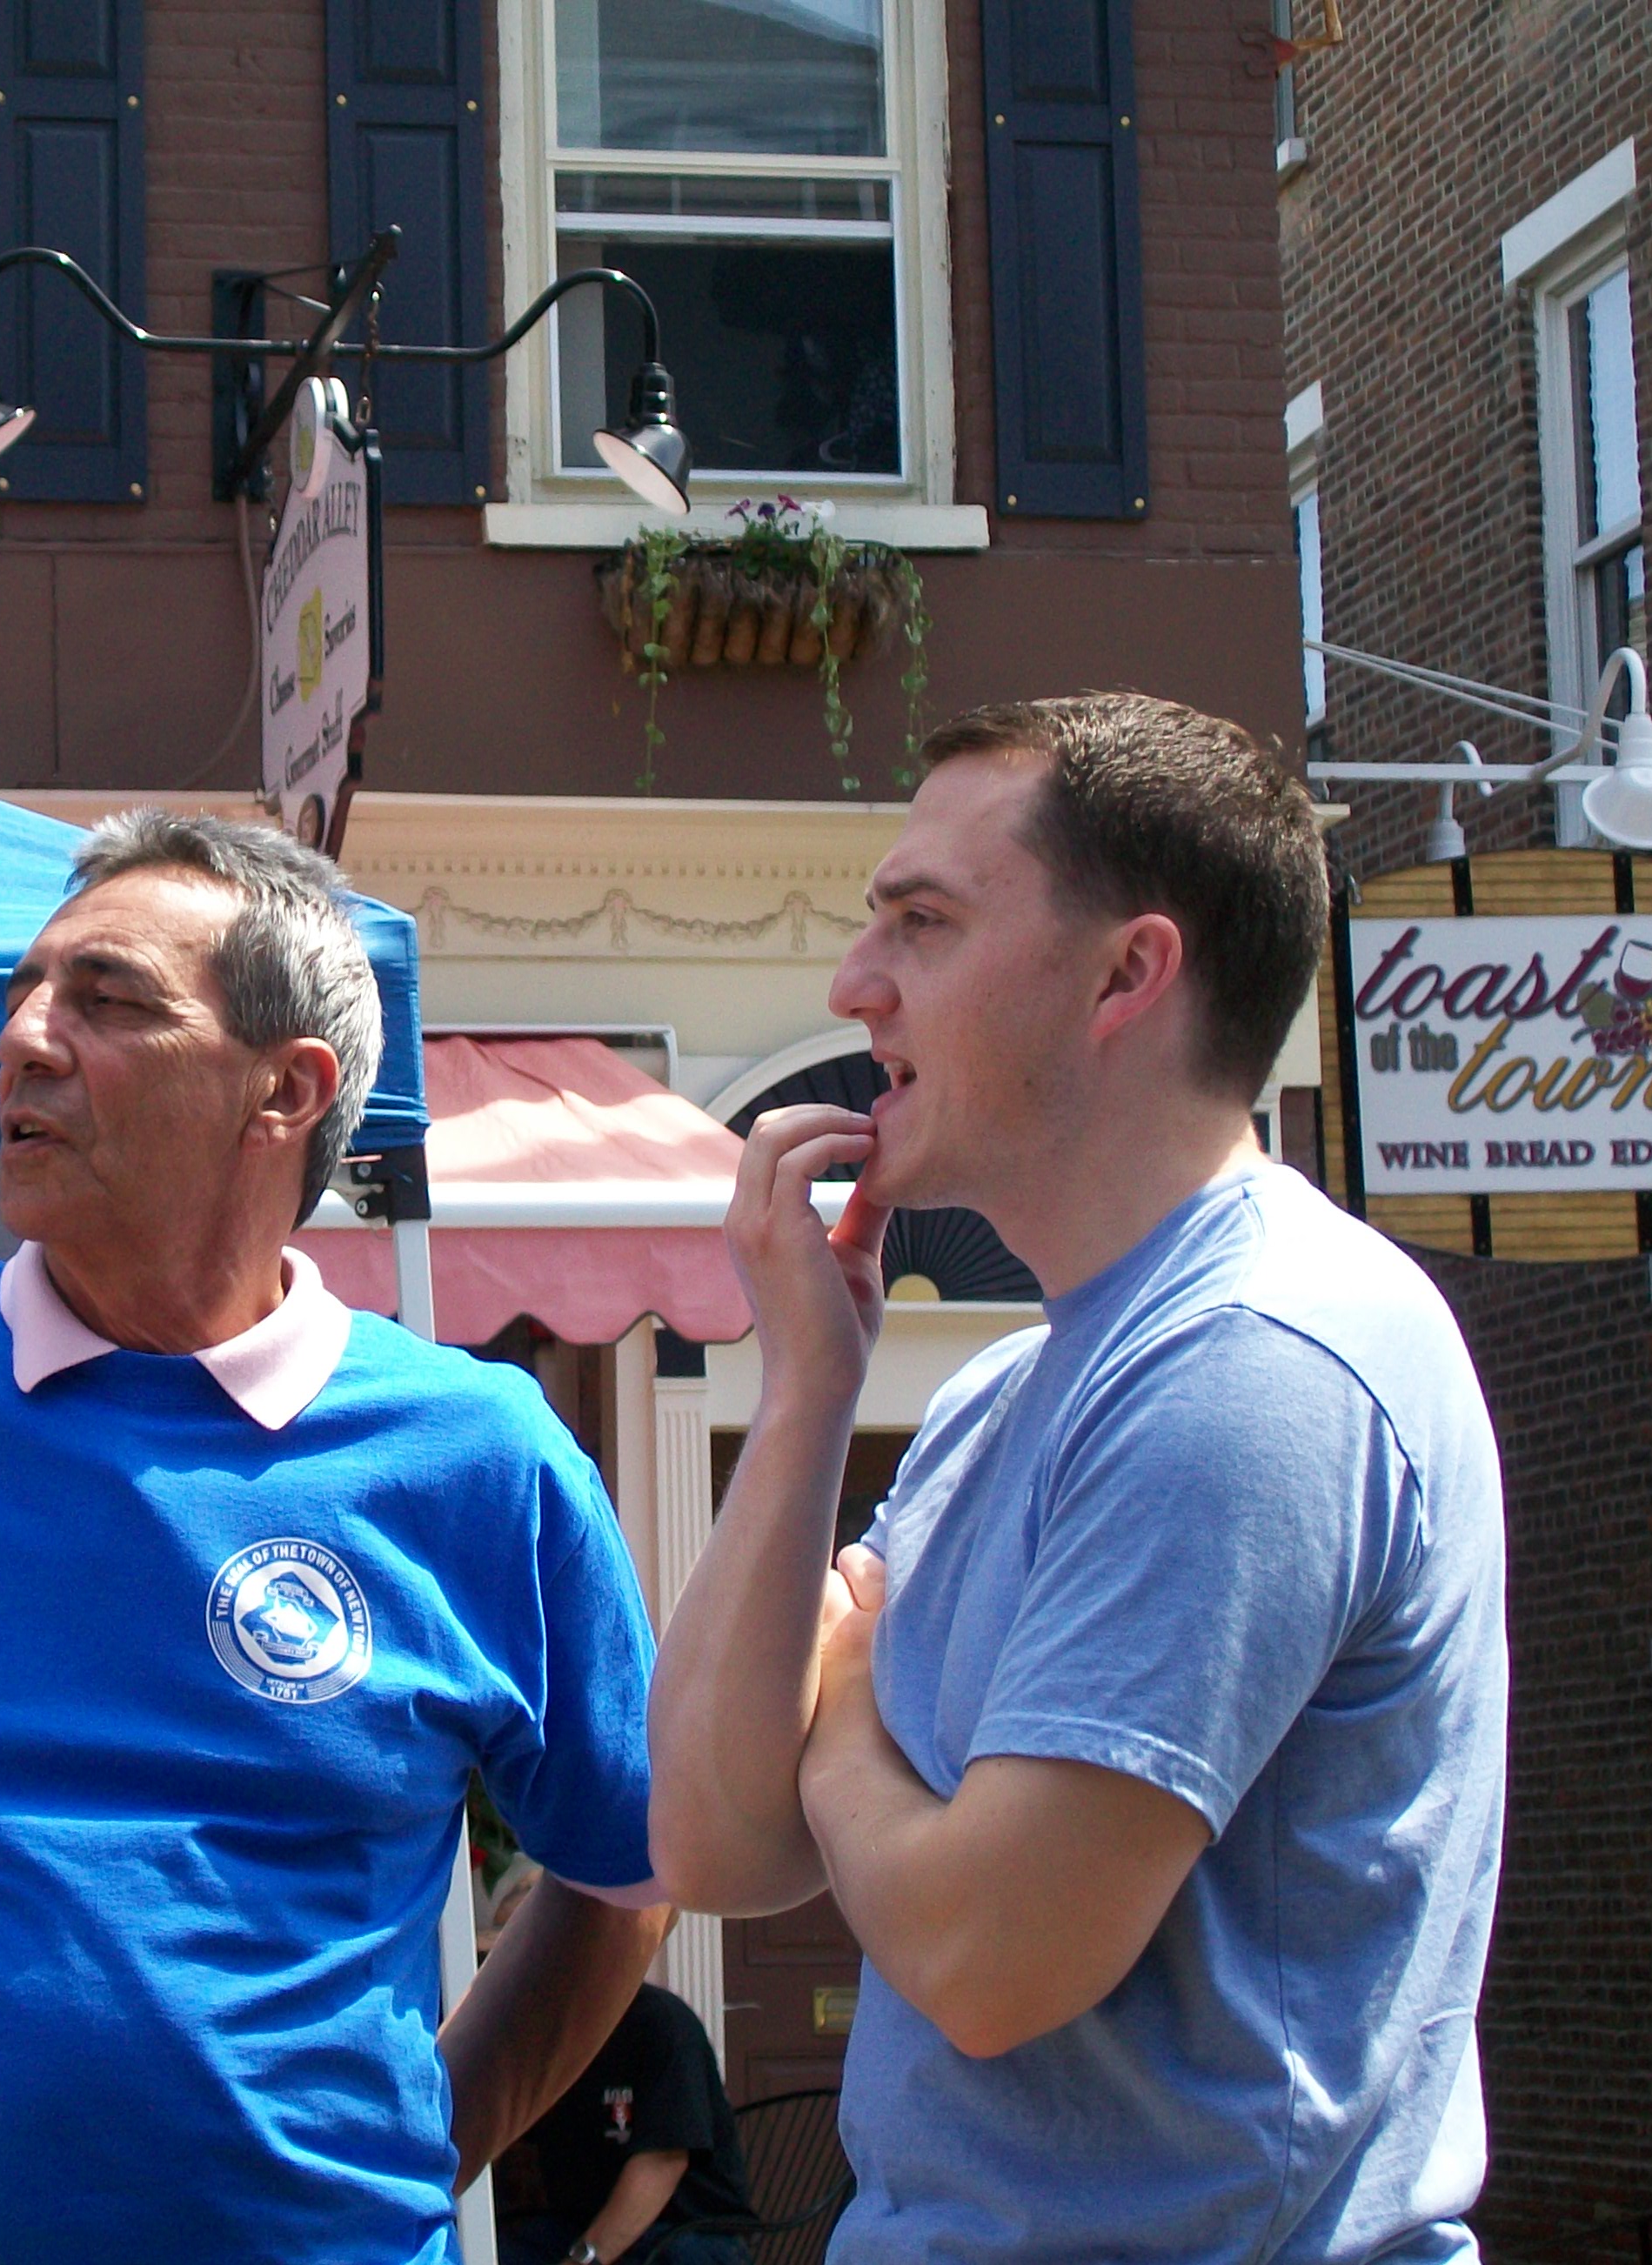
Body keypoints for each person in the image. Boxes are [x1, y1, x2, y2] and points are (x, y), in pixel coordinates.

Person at [0, 810, 675, 2263]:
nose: (22, 1039)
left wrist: (413, 2152)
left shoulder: (483, 1457)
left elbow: (627, 1872)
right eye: (23, 994)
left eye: (106, 1001)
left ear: (283, 1090)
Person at [646, 695, 1507, 2261]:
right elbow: (714, 1842)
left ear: (1128, 973)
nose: (855, 985)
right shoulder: (1002, 1394)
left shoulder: (1261, 1354)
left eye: (921, 922)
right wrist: (805, 1398)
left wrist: (839, 1720)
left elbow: (985, 1957)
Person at [484, 1864, 750, 2265]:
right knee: (506, 2246)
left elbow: (661, 2164)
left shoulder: (661, 2025)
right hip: (577, 2221)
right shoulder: (530, 2032)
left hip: (682, 2229)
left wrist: (585, 2259)